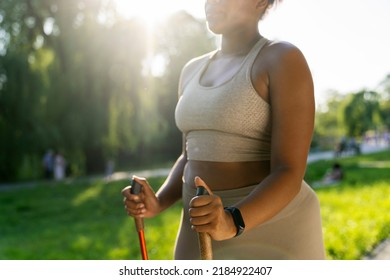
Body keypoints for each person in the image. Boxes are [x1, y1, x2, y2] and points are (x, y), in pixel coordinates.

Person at [122, 0, 325, 260]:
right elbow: (188, 156)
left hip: (272, 231)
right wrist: (158, 202)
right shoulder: (191, 70)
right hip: (199, 227)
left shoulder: (282, 58)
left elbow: (289, 172)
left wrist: (230, 221)